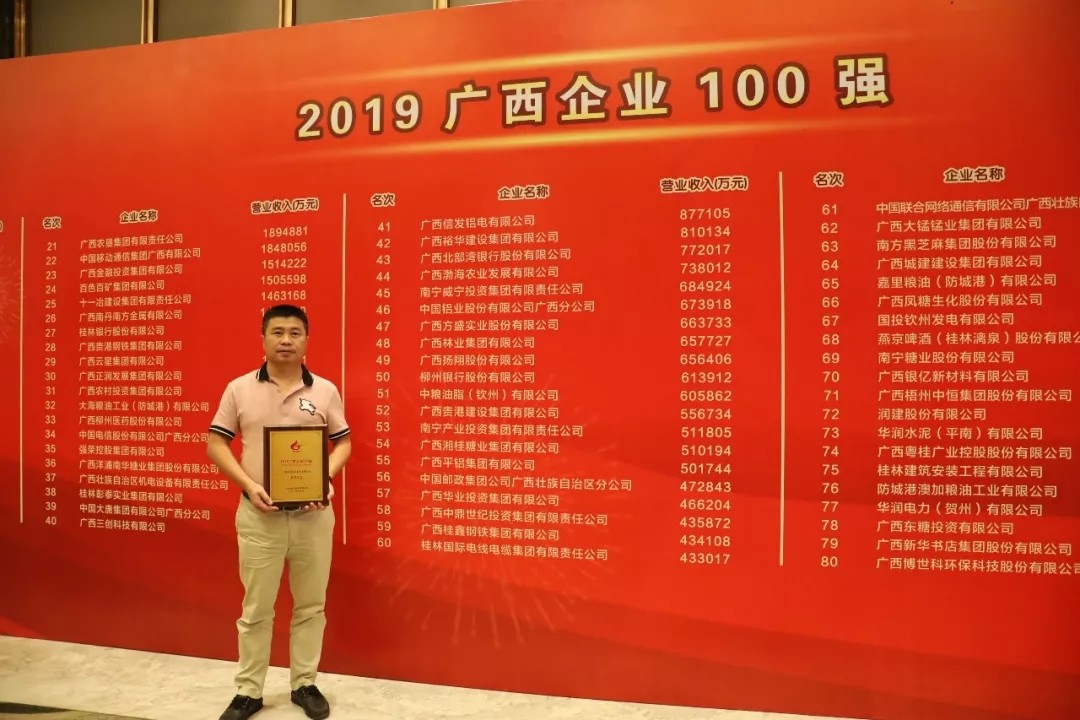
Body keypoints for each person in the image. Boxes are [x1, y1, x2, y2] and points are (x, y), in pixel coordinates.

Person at [207, 305, 352, 720]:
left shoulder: (325, 390)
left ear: (306, 340)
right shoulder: (239, 388)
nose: (286, 340)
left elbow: (343, 442)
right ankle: (248, 691)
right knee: (256, 609)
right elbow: (216, 443)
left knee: (311, 606)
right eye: (277, 332)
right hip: (259, 517)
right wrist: (249, 485)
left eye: (294, 332)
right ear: (264, 338)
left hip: (313, 517)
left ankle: (304, 683)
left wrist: (323, 478)